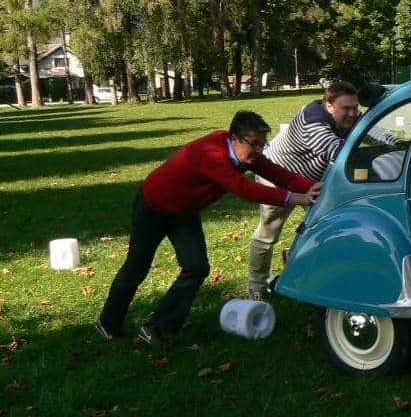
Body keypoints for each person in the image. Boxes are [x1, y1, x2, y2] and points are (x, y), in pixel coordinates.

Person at [96, 110, 321, 344]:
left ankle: (159, 328)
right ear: (235, 138)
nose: (259, 151)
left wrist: (315, 188)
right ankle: (108, 323)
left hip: (184, 211)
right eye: (254, 144)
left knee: (196, 267)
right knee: (136, 268)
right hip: (154, 206)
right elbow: (246, 189)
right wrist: (295, 198)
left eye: (263, 145)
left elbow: (281, 174)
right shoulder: (211, 154)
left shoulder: (248, 153)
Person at [247, 81, 360, 300]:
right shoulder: (312, 119)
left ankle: (294, 260)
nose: (352, 114)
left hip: (310, 183)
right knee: (267, 236)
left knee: (326, 226)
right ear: (328, 105)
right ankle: (256, 290)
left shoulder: (352, 115)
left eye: (354, 107)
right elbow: (335, 151)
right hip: (276, 177)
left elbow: (375, 131)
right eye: (346, 108)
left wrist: (400, 144)